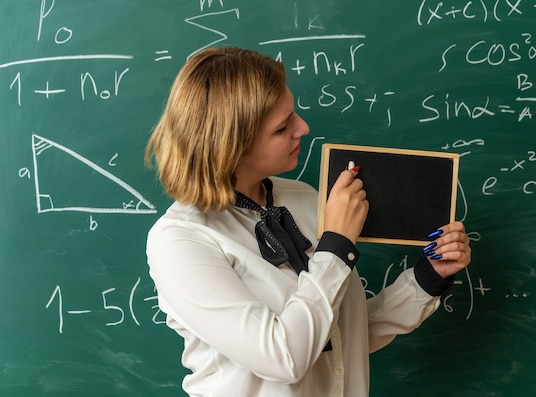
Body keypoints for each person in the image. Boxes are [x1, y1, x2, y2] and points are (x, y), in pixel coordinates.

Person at [144, 47, 471, 397]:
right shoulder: (181, 241)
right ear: (232, 145)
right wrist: (336, 245)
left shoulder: (301, 197)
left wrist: (426, 279)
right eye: (283, 127)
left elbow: (336, 337)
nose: (303, 127)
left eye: (293, 114)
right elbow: (284, 357)